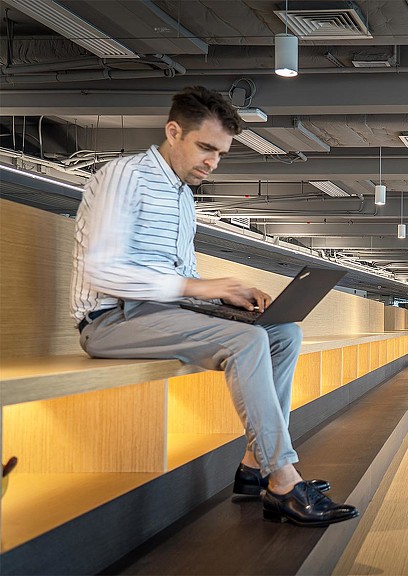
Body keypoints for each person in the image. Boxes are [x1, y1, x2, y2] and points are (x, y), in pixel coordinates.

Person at [70, 86, 358, 527]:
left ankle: (253, 466)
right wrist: (200, 288)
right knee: (246, 341)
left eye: (221, 153)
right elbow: (102, 272)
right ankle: (282, 479)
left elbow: (179, 277)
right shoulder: (124, 177)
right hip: (110, 320)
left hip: (161, 314)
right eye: (206, 148)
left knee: (283, 333)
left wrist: (224, 295)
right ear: (173, 132)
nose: (213, 162)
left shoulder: (183, 196)